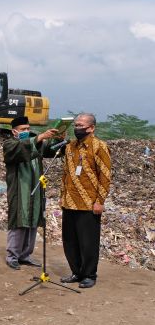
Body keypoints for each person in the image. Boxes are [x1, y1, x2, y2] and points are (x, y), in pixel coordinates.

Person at [59, 113, 112, 289]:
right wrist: (62, 196)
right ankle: (76, 272)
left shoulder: (99, 146)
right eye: (75, 125)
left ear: (91, 128)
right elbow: (65, 174)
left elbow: (105, 176)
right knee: (70, 240)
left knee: (88, 241)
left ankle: (89, 274)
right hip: (69, 201)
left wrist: (100, 201)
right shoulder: (70, 147)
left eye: (80, 125)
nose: (77, 128)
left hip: (89, 203)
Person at [2, 116, 60, 270]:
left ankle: (25, 255)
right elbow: (21, 150)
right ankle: (12, 256)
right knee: (19, 222)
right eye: (23, 129)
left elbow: (51, 150)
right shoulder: (9, 144)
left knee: (33, 221)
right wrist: (40, 137)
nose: (27, 131)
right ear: (14, 131)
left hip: (35, 189)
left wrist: (59, 139)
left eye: (28, 128)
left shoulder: (35, 142)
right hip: (20, 190)